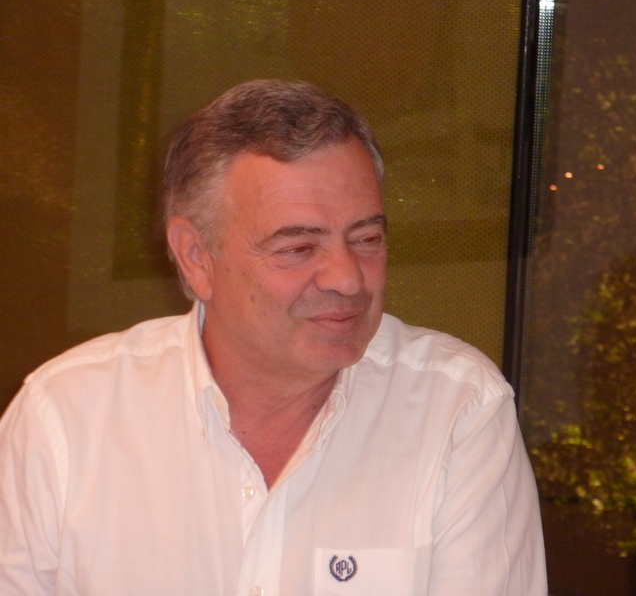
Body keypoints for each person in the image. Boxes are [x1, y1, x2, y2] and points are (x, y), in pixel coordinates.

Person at [0, 79, 547, 595]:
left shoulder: (456, 413)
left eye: (366, 239)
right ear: (196, 258)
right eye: (297, 248)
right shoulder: (67, 419)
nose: (347, 278)